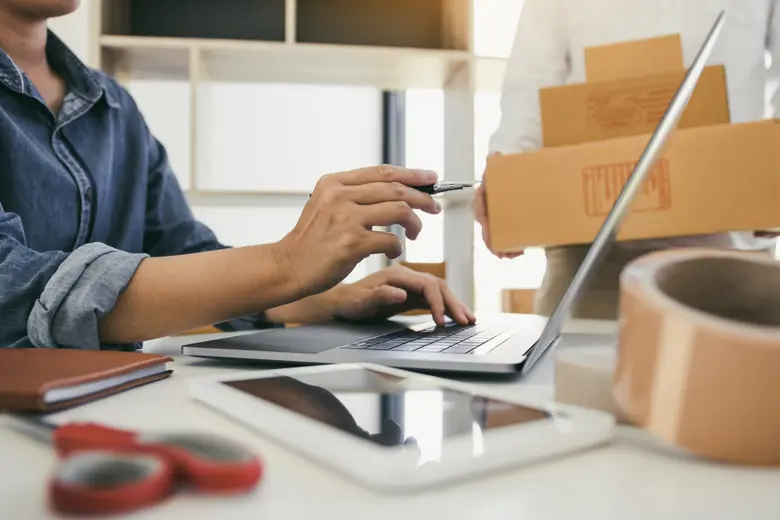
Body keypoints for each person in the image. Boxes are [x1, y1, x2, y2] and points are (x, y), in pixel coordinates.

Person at [0, 0, 476, 349]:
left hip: (108, 401)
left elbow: (186, 253)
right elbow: (13, 286)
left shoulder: (114, 106)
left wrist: (321, 297)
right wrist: (286, 264)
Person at [474, 0, 780, 320]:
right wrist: (507, 168)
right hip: (590, 249)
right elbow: (531, 77)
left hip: (731, 245)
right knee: (575, 365)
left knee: (731, 367)